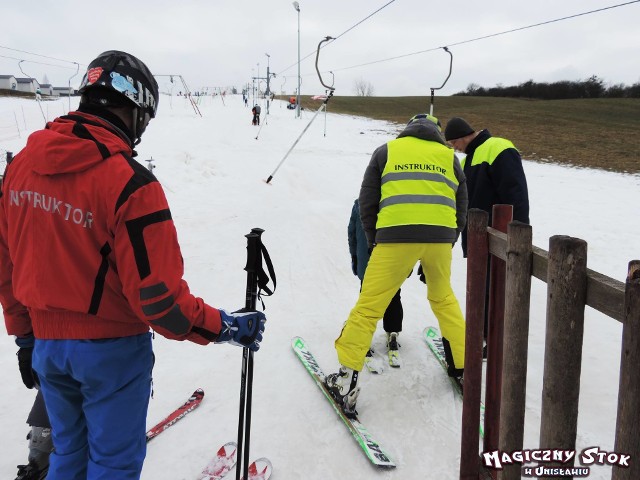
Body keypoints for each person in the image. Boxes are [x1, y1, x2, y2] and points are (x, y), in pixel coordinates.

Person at [0, 50, 266, 480]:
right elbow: (162, 304)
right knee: (113, 465)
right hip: (112, 354)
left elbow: (6, 263)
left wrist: (25, 336)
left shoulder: (19, 169)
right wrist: (226, 327)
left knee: (68, 454)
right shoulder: (132, 183)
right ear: (136, 109)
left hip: (48, 347)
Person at [326, 113, 468, 417]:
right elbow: (462, 203)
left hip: (394, 238)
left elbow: (367, 201)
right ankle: (463, 367)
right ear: (436, 131)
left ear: (408, 129)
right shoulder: (449, 156)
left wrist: (374, 239)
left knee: (369, 306)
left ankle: (346, 380)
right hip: (439, 239)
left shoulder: (386, 151)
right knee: (444, 299)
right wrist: (448, 239)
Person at [444, 117, 529, 355]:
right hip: (480, 237)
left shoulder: (499, 147)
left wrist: (517, 233)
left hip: (501, 236)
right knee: (482, 289)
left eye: (453, 143)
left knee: (496, 291)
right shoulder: (471, 157)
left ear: (462, 136)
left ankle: (494, 343)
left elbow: (516, 194)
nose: (454, 148)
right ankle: (481, 336)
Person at [348, 198, 403, 367]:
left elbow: (352, 234)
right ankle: (392, 332)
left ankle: (362, 340)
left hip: (368, 264)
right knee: (393, 296)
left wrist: (355, 257)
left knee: (367, 301)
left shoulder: (360, 204)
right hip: (391, 264)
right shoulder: (397, 204)